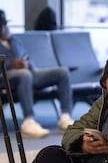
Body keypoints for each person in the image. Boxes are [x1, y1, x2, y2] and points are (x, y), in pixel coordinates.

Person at [0, 9, 74, 138]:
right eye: (2, 24)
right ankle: (29, 120)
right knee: (24, 74)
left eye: (5, 24)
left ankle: (65, 117)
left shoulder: (14, 41)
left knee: (62, 72)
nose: (4, 27)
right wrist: (10, 64)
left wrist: (27, 64)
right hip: (5, 76)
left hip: (29, 73)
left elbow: (27, 57)